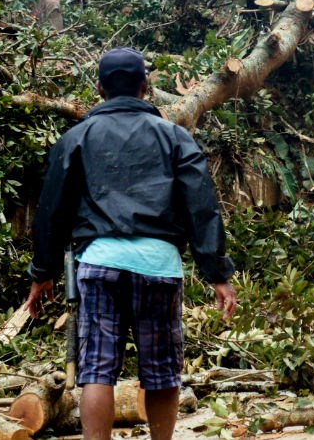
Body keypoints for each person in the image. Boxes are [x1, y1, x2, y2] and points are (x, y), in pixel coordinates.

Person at [24, 47, 238, 440]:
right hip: (159, 266)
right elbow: (201, 206)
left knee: (97, 371)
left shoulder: (76, 138)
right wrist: (217, 274)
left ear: (101, 88)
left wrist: (43, 273)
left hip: (99, 264)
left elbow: (51, 210)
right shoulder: (175, 137)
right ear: (146, 87)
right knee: (160, 371)